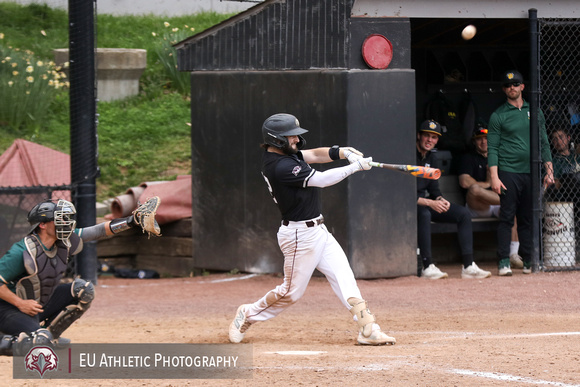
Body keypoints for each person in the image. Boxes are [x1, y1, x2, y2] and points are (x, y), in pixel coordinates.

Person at [228, 113, 395, 346]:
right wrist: (355, 167)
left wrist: (342, 152)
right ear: (276, 140)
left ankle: (368, 328)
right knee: (290, 293)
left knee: (343, 276)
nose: (296, 139)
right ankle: (249, 313)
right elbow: (322, 179)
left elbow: (316, 154)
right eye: (291, 136)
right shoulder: (279, 166)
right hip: (299, 235)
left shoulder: (287, 154)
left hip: (318, 229)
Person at [0, 197, 160, 356]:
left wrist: (132, 221)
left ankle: (50, 336)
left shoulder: (63, 240)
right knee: (39, 342)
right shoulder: (21, 251)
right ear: (42, 224)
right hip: (9, 310)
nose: (65, 223)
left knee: (83, 289)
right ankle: (8, 341)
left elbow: (98, 231)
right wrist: (20, 304)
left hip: (35, 305)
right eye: (59, 220)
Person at [488, 70, 554, 276]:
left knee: (527, 218)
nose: (512, 88)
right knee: (507, 217)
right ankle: (504, 261)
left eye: (515, 84)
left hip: (531, 172)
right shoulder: (498, 115)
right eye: (508, 86)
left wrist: (549, 170)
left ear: (522, 87)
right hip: (508, 172)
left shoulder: (535, 111)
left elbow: (543, 141)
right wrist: (494, 177)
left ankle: (527, 260)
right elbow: (493, 148)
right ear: (504, 89)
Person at [416, 119, 492, 280]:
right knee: (424, 214)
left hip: (426, 202)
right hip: (409, 205)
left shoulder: (432, 157)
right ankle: (427, 265)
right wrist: (431, 202)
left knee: (463, 213)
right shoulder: (409, 155)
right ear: (419, 136)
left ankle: (469, 266)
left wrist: (440, 199)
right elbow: (404, 193)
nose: (430, 140)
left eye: (434, 137)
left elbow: (434, 188)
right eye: (426, 136)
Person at [458, 126, 524, 269]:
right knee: (475, 189)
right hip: (478, 206)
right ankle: (512, 202)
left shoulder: (500, 157)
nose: (483, 142)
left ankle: (513, 254)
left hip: (498, 203)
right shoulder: (468, 157)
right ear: (474, 142)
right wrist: (488, 182)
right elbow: (464, 182)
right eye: (479, 139)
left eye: (486, 138)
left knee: (513, 210)